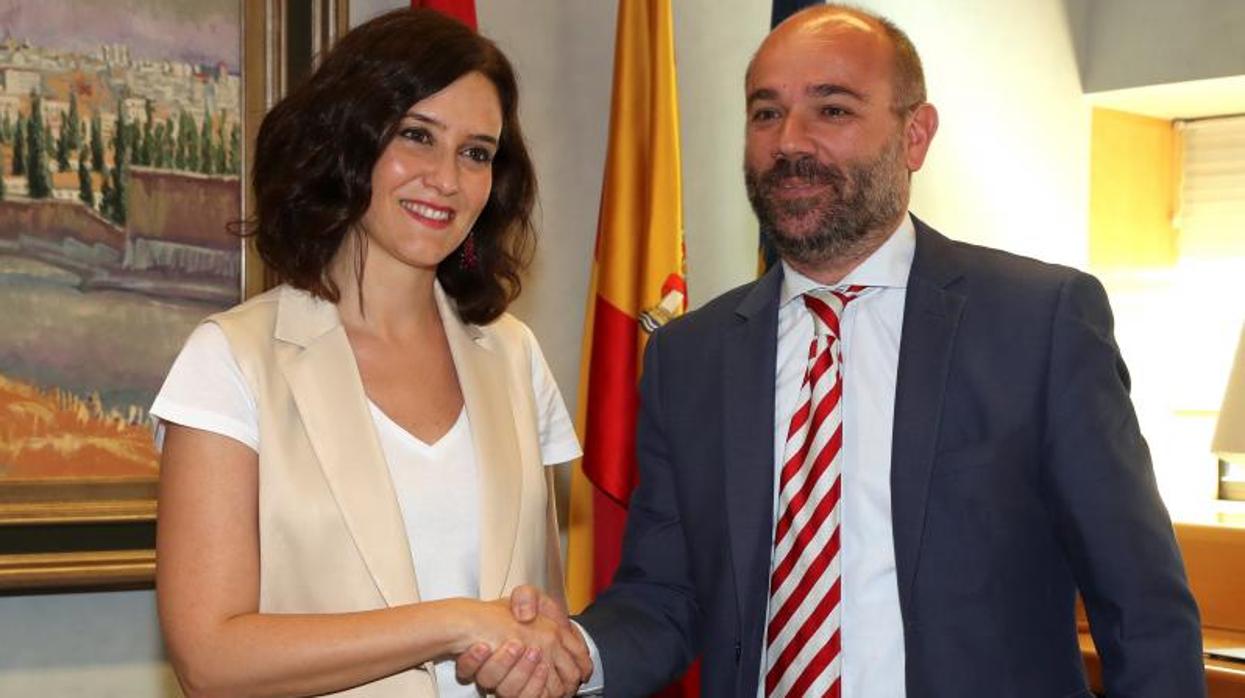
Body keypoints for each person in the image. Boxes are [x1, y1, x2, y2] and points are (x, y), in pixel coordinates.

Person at [460, 4, 1206, 697]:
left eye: (833, 109)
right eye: (766, 112)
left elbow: (1141, 608)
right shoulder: (690, 359)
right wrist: (575, 654)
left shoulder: (1037, 324)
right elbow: (665, 595)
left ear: (914, 135)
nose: (790, 142)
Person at [152, 9, 591, 698]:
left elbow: (538, 615)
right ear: (347, 141)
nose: (446, 179)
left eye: (476, 153)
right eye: (417, 136)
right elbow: (210, 659)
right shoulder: (232, 359)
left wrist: (546, 656)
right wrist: (453, 622)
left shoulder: (514, 355)